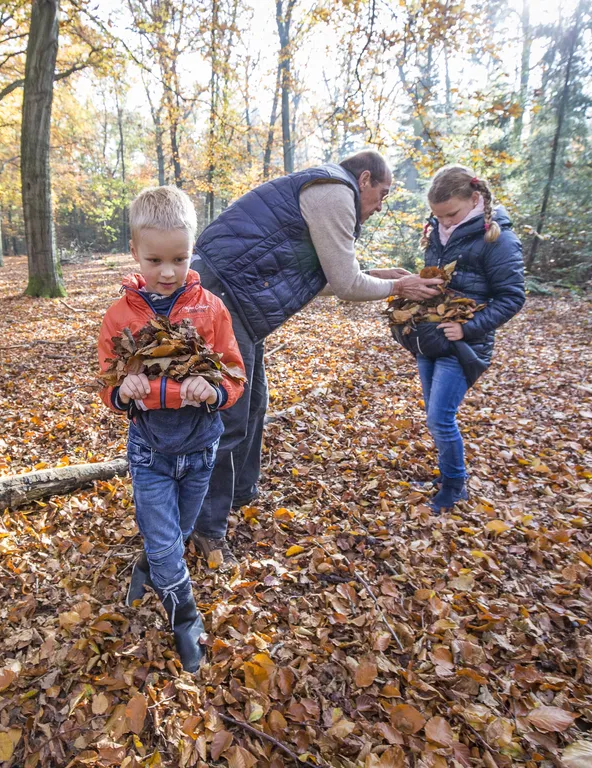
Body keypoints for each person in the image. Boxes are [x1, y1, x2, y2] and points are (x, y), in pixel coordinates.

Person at [190, 150, 444, 565]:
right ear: (364, 179)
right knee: (231, 415)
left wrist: (386, 277)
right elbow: (345, 284)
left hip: (240, 303)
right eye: (382, 193)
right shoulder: (333, 191)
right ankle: (207, 529)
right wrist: (402, 289)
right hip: (222, 300)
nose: (381, 205)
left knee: (255, 404)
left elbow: (321, 280)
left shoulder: (327, 193)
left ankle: (239, 495)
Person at [97, 186, 245, 673]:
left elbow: (234, 372)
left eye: (179, 258)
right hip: (151, 452)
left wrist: (215, 389)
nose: (167, 271)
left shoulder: (211, 310)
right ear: (135, 253)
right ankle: (185, 617)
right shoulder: (120, 317)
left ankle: (147, 566)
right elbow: (108, 383)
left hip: (201, 447)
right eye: (155, 259)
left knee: (175, 536)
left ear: (192, 251)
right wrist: (125, 387)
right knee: (165, 542)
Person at [401, 165, 526, 512]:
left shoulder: (497, 237)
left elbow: (513, 297)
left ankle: (456, 486)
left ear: (475, 199)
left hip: (464, 344)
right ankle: (445, 476)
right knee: (434, 414)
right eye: (437, 216)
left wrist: (468, 328)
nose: (443, 221)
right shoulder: (441, 231)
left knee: (440, 417)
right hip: (432, 337)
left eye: (450, 214)